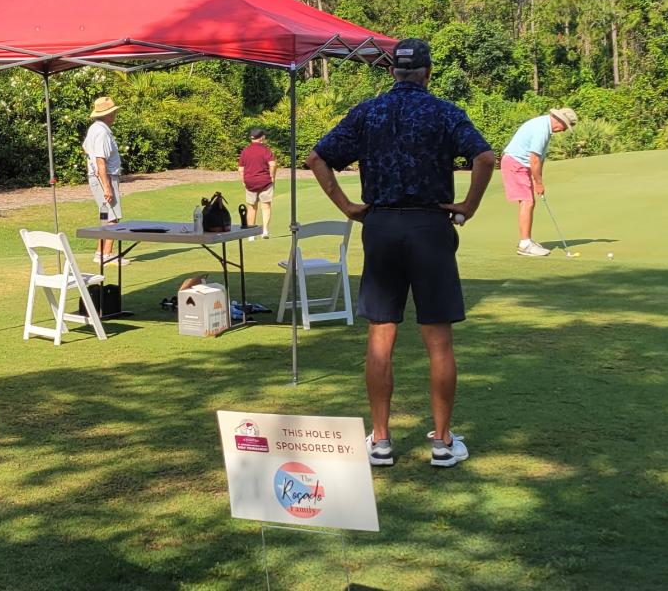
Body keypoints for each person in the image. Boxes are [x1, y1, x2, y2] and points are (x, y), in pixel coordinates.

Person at [305, 38, 495, 468]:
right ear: (428, 73)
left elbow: (318, 158)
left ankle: (382, 441)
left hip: (382, 225)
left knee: (380, 336)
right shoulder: (444, 112)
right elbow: (484, 158)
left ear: (392, 72)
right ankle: (443, 443)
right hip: (430, 226)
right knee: (438, 341)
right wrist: (468, 206)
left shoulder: (368, 111)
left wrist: (347, 207)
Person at [501, 107, 578, 257]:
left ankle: (526, 240)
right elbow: (534, 158)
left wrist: (538, 180)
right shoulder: (542, 129)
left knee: (528, 201)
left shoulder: (544, 126)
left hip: (518, 164)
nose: (563, 130)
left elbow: (539, 160)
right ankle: (525, 244)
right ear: (559, 120)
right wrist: (539, 183)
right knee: (527, 202)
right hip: (516, 164)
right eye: (565, 126)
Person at [83, 96, 126, 266]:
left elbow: (85, 147)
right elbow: (101, 160)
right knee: (112, 218)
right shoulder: (101, 132)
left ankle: (99, 253)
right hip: (104, 177)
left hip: (99, 176)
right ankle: (107, 255)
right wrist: (107, 186)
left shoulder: (95, 128)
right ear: (107, 114)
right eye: (113, 112)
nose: (115, 114)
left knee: (105, 216)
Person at [238, 128, 277, 240]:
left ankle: (251, 234)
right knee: (265, 207)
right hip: (265, 181)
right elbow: (273, 164)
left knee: (251, 207)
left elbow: (241, 169)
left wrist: (243, 181)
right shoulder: (265, 150)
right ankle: (264, 231)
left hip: (250, 182)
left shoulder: (245, 151)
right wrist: (272, 176)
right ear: (261, 138)